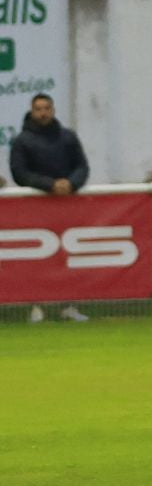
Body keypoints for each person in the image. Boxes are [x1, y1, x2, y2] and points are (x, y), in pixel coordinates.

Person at [9, 92, 92, 323]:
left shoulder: (68, 137)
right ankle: (37, 306)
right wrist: (49, 185)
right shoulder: (22, 141)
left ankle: (69, 305)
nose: (43, 112)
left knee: (69, 256)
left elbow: (82, 166)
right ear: (32, 111)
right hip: (36, 209)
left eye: (47, 108)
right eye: (38, 109)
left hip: (68, 208)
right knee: (38, 259)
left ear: (53, 110)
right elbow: (20, 173)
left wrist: (71, 184)